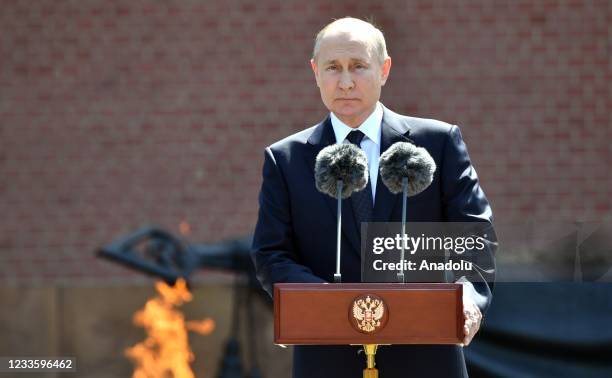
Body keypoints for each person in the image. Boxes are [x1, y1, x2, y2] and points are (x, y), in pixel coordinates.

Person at [251, 17, 495, 378]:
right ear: (316, 72)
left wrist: (467, 300)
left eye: (358, 67)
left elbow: (475, 239)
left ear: (384, 70)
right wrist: (331, 306)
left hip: (426, 352)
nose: (345, 81)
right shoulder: (285, 159)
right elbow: (271, 253)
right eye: (333, 68)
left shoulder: (439, 143)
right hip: (328, 356)